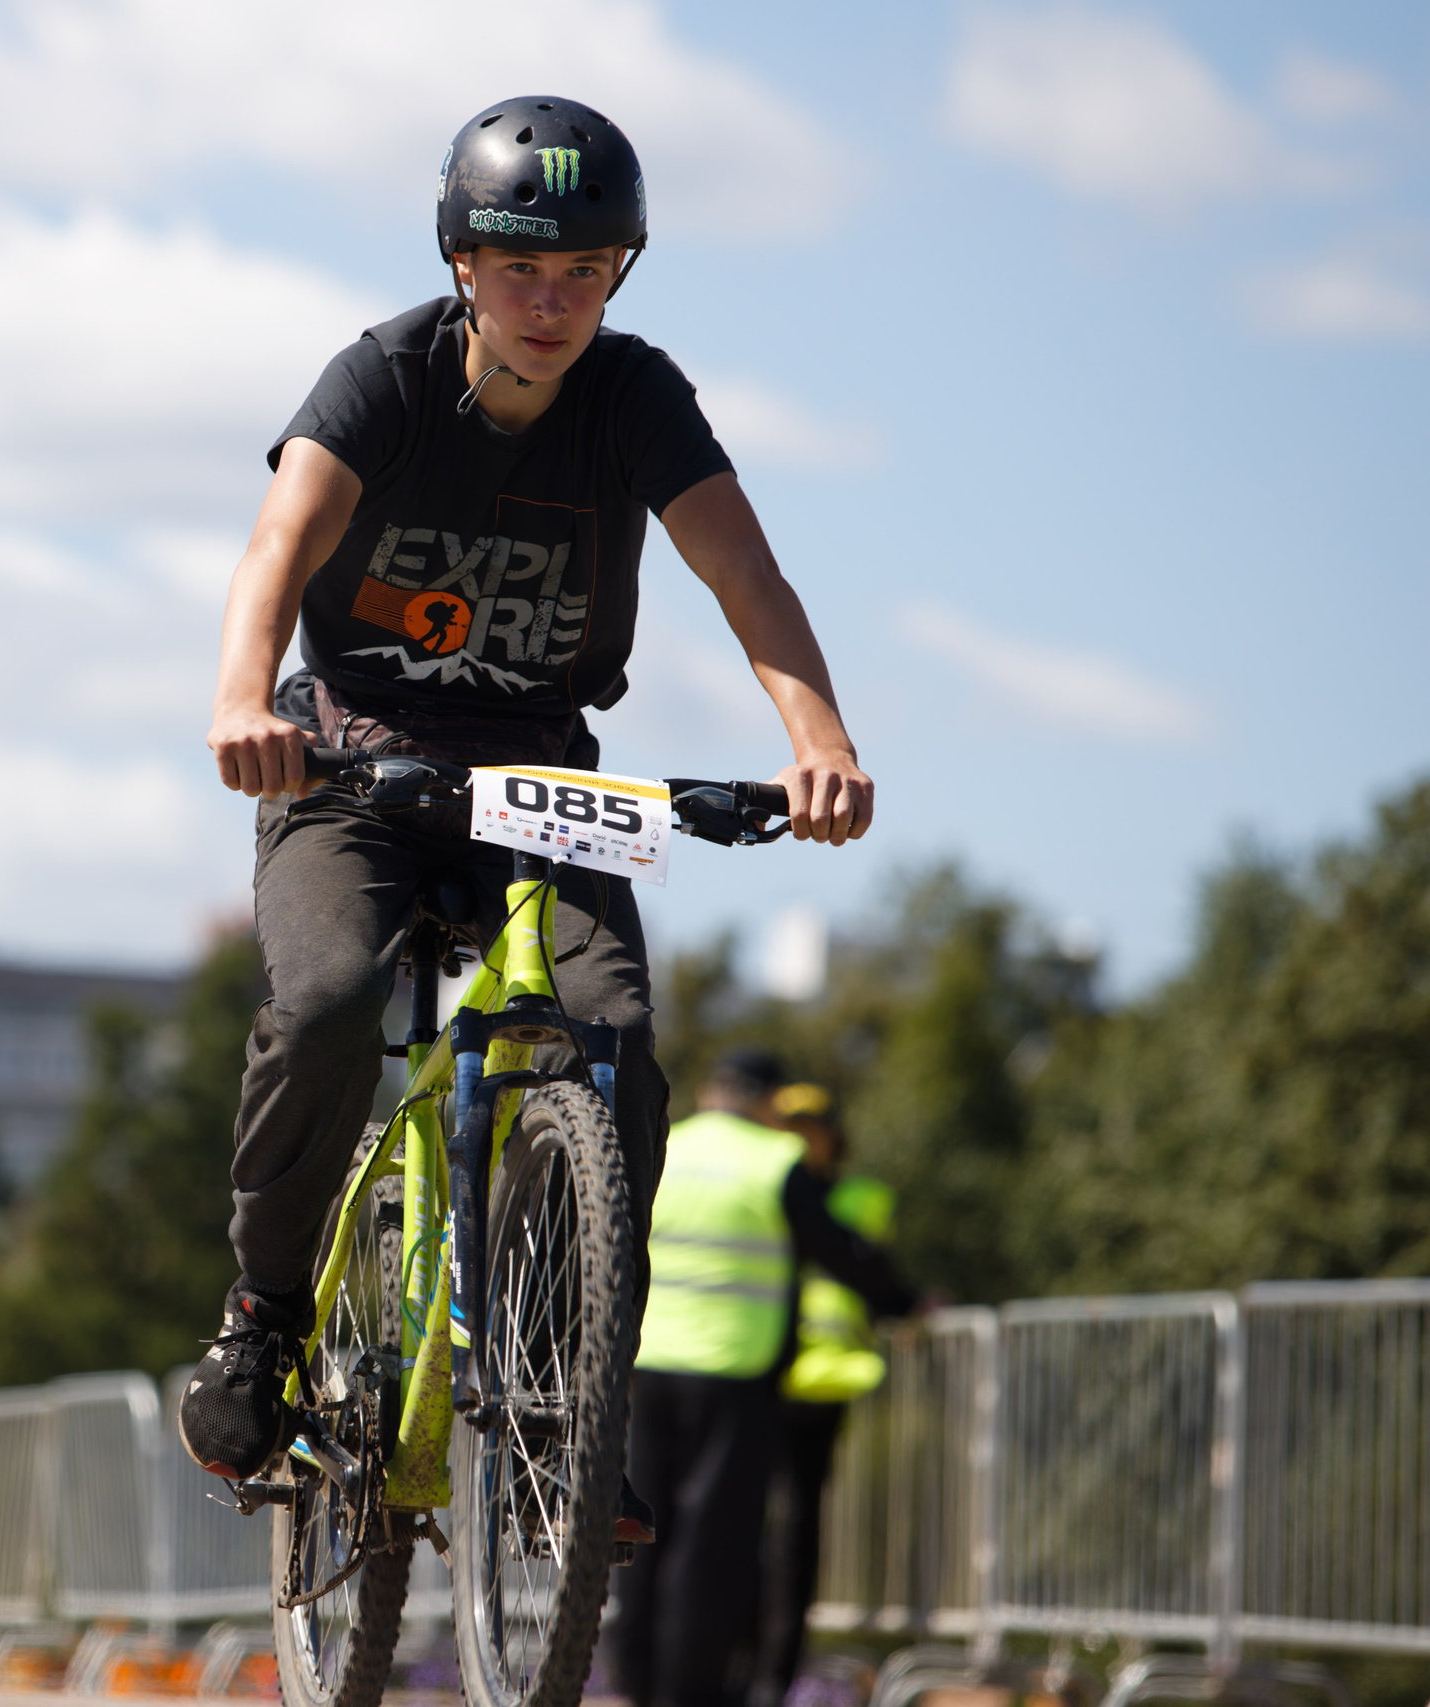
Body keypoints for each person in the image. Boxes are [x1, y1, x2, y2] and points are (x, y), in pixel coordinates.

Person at [176, 88, 877, 1511]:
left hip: (536, 772)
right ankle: (263, 1317)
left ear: (619, 275)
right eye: (519, 271)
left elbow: (747, 574)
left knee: (611, 1045)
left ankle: (566, 1389)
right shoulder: (381, 376)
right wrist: (244, 698)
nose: (551, 303)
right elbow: (278, 541)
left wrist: (819, 734)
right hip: (349, 761)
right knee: (320, 1004)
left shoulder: (635, 398)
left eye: (583, 274)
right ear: (461, 268)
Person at [614, 1054, 915, 1707]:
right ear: (770, 1102)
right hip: (734, 1369)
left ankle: (632, 1678)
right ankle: (687, 1690)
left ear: (708, 1091)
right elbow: (842, 1250)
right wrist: (906, 1301)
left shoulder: (668, 1144)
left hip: (651, 1365)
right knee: (711, 1541)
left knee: (641, 1525)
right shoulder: (774, 1159)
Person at [751, 1083, 900, 1707]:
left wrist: (908, 1302)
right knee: (746, 1531)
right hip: (755, 1375)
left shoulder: (860, 1198)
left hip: (821, 1380)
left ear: (833, 1135)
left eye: (810, 1127)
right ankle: (740, 1659)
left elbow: (863, 1265)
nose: (799, 1137)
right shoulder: (759, 1185)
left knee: (796, 1542)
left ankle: (773, 1678)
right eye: (790, 1126)